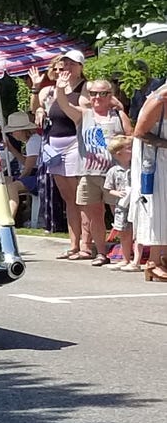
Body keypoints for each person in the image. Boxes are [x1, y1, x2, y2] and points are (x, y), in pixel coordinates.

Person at [55, 77, 132, 266]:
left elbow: (131, 138)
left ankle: (128, 255)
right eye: (93, 93)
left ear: (110, 95)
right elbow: (64, 105)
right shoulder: (84, 115)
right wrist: (59, 89)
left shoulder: (118, 115)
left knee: (120, 213)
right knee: (94, 215)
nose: (97, 97)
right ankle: (101, 253)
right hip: (89, 172)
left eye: (102, 93)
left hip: (115, 173)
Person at [31, 50, 89, 259]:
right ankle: (73, 244)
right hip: (54, 144)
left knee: (80, 197)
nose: (67, 67)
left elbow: (78, 115)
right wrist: (39, 108)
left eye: (72, 64)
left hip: (74, 143)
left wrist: (61, 94)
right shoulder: (54, 89)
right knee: (68, 198)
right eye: (64, 63)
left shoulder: (85, 89)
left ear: (81, 67)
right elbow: (38, 107)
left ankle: (85, 244)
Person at [129, 82, 167, 281]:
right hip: (154, 160)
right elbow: (139, 133)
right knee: (157, 209)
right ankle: (154, 262)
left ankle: (162, 258)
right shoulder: (160, 98)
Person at [103, 135, 139, 271]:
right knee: (124, 233)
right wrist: (116, 193)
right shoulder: (113, 171)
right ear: (119, 153)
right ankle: (125, 258)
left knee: (136, 232)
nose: (131, 150)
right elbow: (108, 188)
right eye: (128, 148)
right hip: (122, 206)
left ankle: (135, 259)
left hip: (135, 204)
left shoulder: (136, 167)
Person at [2, 111, 41, 220]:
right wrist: (11, 149)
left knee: (12, 186)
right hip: (35, 174)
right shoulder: (31, 141)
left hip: (39, 176)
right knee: (3, 180)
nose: (12, 134)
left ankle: (9, 217)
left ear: (20, 130)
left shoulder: (33, 142)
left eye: (12, 131)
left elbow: (28, 168)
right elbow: (26, 162)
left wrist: (18, 179)